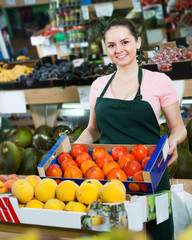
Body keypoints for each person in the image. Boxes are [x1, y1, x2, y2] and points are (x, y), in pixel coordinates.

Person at [75, 17, 187, 240]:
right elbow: (92, 130)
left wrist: (173, 142)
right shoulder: (99, 85)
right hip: (109, 176)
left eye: (125, 42)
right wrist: (69, 152)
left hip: (151, 172)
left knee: (158, 234)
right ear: (106, 49)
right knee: (112, 235)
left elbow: (179, 128)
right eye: (112, 45)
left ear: (137, 42)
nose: (119, 50)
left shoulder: (159, 81)